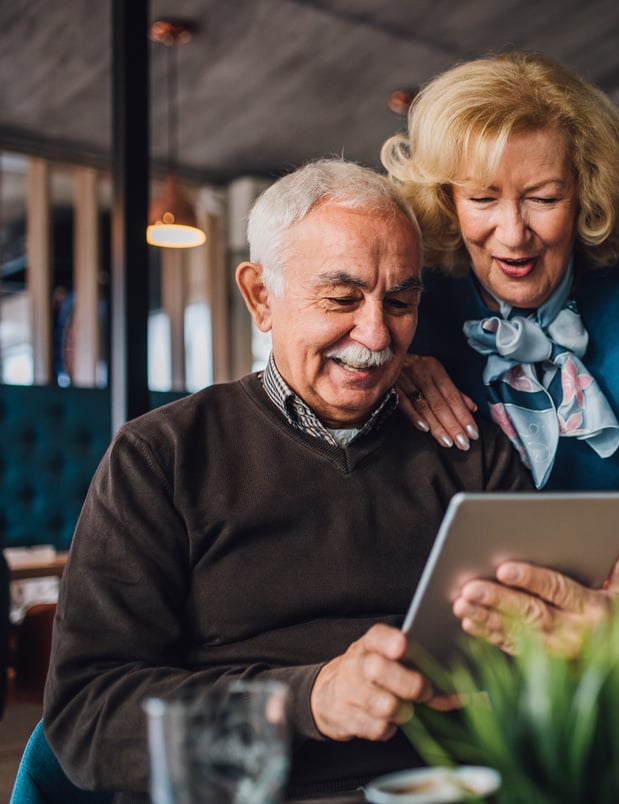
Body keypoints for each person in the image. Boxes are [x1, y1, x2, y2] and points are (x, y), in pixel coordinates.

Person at [41, 158, 546, 800]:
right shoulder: (159, 457)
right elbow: (89, 718)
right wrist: (308, 702)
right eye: (341, 298)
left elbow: (534, 668)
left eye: (400, 303)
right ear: (260, 297)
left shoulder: (469, 450)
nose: (375, 335)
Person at [380, 50, 619, 765]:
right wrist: (390, 361)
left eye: (542, 196)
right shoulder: (414, 304)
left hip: (618, 655)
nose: (513, 232)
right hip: (458, 667)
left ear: (586, 191)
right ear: (446, 198)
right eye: (482, 198)